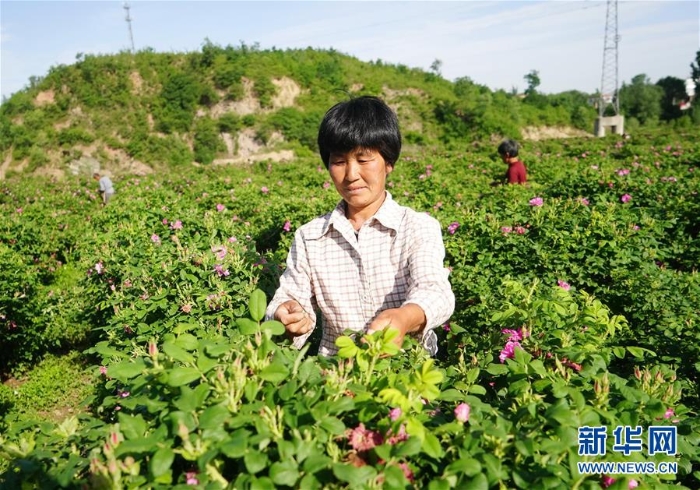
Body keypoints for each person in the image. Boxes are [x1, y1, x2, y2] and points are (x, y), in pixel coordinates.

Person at [265, 96, 455, 356]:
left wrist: (403, 318)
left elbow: (435, 291)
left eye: (364, 159)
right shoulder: (310, 237)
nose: (351, 174)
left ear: (388, 163)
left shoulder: (417, 227)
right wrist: (286, 315)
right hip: (336, 378)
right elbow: (291, 296)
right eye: (340, 161)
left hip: (406, 376)